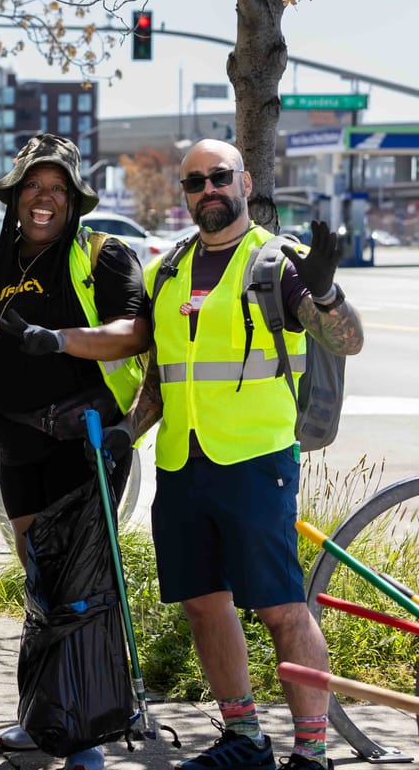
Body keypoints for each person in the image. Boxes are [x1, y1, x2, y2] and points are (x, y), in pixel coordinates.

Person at [124, 139, 364, 770]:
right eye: (195, 182)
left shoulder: (276, 263)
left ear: (246, 182)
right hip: (182, 464)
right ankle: (244, 738)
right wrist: (128, 433)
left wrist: (328, 293)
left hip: (257, 462)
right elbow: (161, 375)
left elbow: (349, 339)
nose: (209, 190)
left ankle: (311, 752)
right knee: (204, 602)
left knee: (282, 606)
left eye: (219, 177)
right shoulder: (167, 271)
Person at [0, 132, 150, 770]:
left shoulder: (101, 255)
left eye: (57, 189)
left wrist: (57, 341)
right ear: (13, 196)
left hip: (82, 443)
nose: (44, 199)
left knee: (79, 588)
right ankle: (43, 719)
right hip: (17, 449)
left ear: (74, 200)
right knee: (40, 585)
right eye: (33, 187)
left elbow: (134, 332)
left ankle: (84, 734)